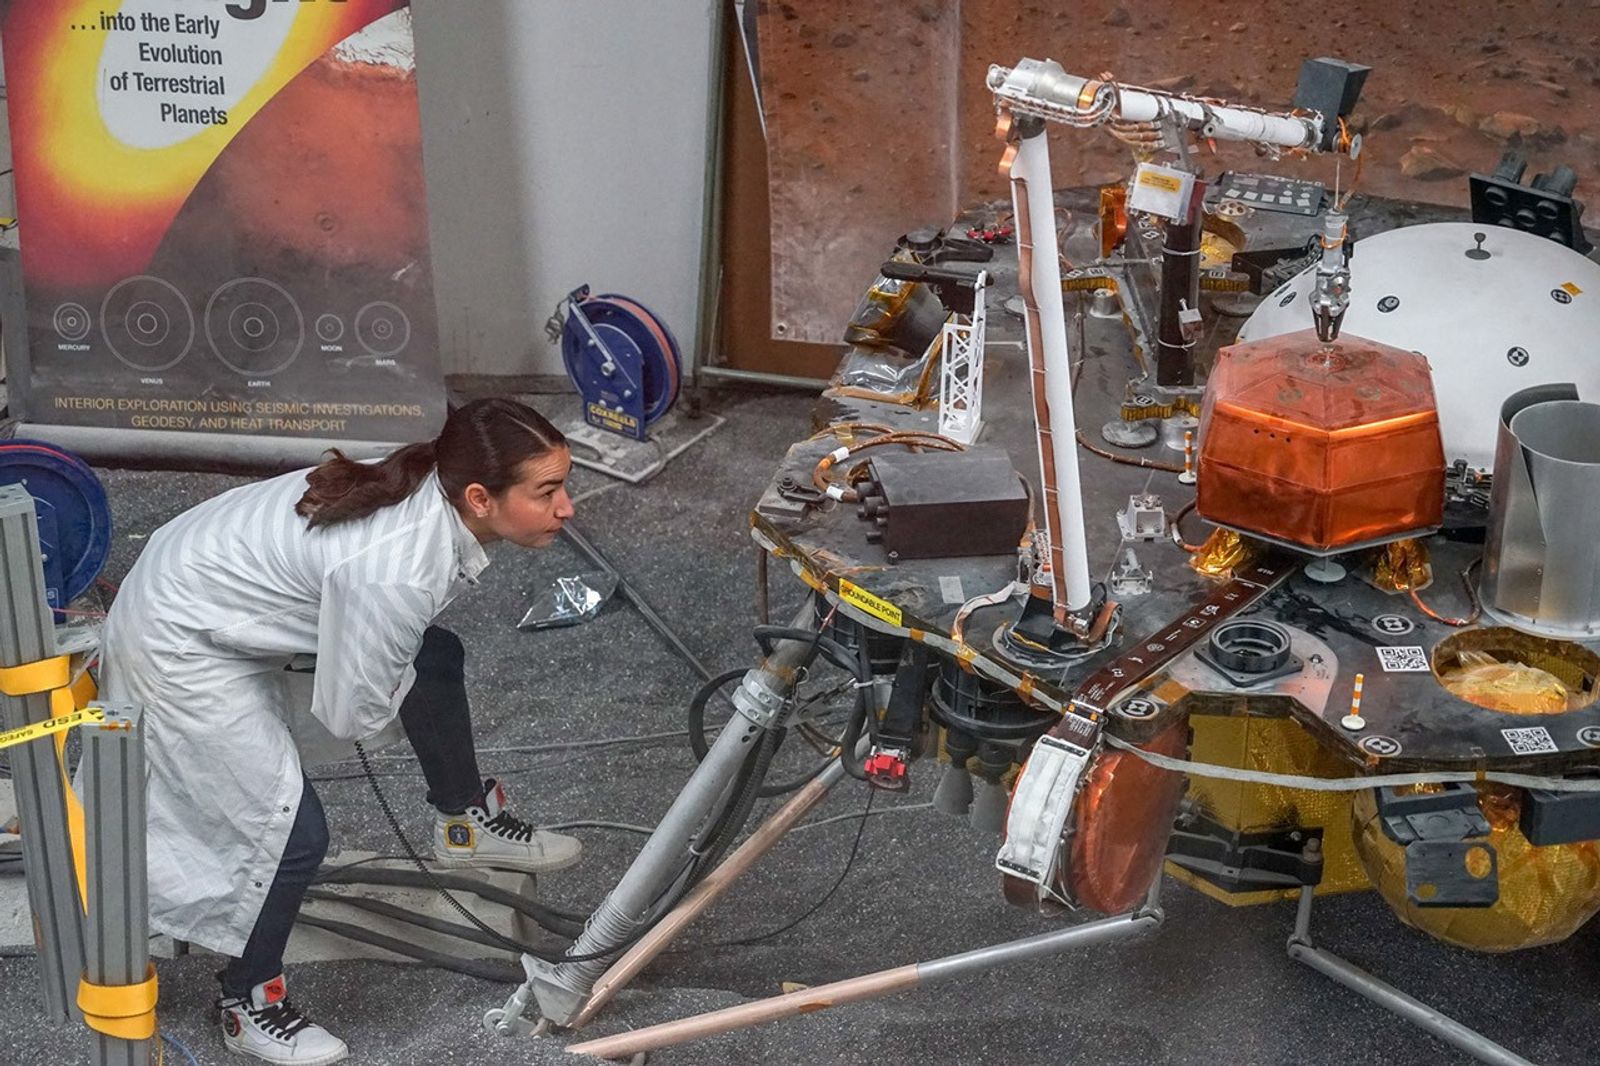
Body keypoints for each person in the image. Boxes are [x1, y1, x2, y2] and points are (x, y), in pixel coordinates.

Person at [98, 398, 582, 1065]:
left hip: (204, 581)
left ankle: (464, 826)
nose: (567, 508)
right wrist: (380, 667)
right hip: (178, 638)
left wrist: (387, 661)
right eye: (548, 491)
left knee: (433, 657)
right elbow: (350, 716)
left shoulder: (431, 494)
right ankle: (247, 1001)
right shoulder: (398, 567)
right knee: (293, 832)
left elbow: (387, 660)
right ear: (479, 498)